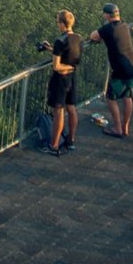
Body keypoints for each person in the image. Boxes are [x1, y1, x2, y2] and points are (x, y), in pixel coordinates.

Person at [91, 3, 133, 138]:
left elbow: (93, 36)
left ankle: (117, 128)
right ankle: (125, 127)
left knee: (110, 98)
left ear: (107, 15)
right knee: (127, 97)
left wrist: (101, 35)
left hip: (120, 70)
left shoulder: (108, 29)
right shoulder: (124, 25)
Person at [38, 9, 81, 156]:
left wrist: (68, 66)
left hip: (61, 80)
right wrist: (50, 49)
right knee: (71, 108)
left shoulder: (60, 41)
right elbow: (66, 55)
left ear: (62, 24)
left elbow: (56, 66)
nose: (57, 25)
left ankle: (54, 145)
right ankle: (71, 140)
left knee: (58, 111)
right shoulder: (78, 38)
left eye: (58, 22)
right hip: (72, 78)